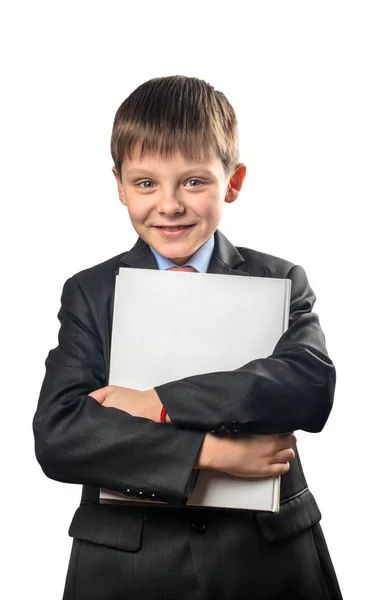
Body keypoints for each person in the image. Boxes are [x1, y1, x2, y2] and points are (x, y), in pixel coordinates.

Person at [33, 75, 342, 599]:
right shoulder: (89, 292)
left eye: (194, 182)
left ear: (233, 181)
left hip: (268, 560)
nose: (170, 205)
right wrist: (211, 452)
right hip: (127, 566)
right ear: (119, 185)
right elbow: (61, 435)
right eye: (146, 183)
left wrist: (157, 403)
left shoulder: (281, 280)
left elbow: (307, 386)